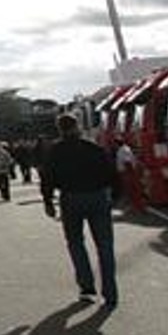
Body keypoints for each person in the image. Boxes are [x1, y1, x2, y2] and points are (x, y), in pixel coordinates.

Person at [40, 115, 118, 307]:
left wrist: (48, 201)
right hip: (98, 197)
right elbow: (112, 173)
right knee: (105, 246)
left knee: (76, 243)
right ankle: (110, 293)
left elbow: (47, 178)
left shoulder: (55, 151)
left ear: (59, 129)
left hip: (71, 198)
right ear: (78, 127)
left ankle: (86, 287)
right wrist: (114, 197)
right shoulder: (94, 148)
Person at [114, 139, 145, 215]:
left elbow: (127, 162)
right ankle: (135, 207)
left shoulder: (123, 150)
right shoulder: (123, 149)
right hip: (127, 172)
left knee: (132, 191)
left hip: (127, 173)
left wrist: (130, 173)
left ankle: (137, 208)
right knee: (130, 191)